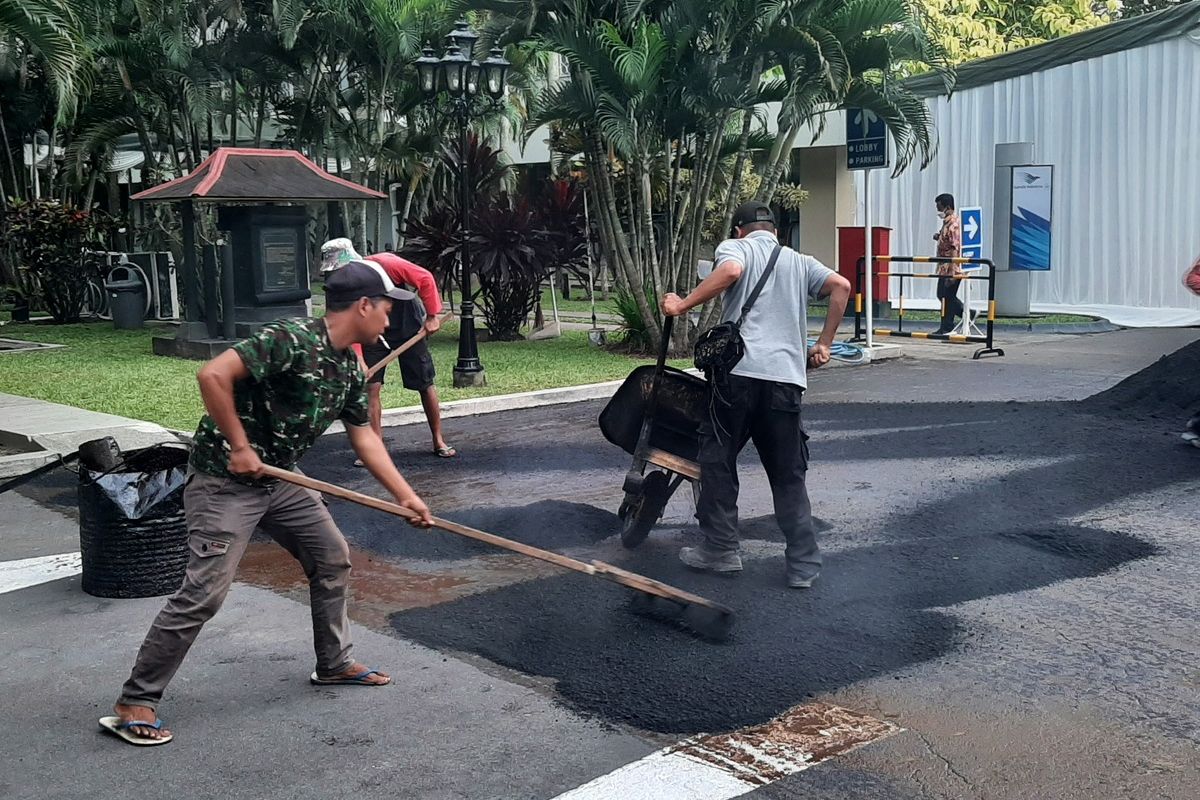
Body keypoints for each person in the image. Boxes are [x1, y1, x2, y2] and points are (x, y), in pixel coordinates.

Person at [102, 260, 435, 747]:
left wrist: (407, 498)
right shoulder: (291, 339)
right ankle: (135, 700)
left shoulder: (348, 366)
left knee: (332, 559)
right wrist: (239, 445)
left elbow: (365, 438)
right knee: (205, 593)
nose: (390, 319)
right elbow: (213, 374)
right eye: (386, 308)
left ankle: (335, 662)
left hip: (282, 479)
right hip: (225, 481)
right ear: (363, 306)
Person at [660, 201, 851, 588]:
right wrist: (824, 344)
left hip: (738, 377)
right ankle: (802, 565)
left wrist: (681, 304)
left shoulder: (736, 249)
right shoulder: (800, 261)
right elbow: (842, 286)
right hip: (785, 381)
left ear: (738, 231)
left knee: (717, 460)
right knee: (787, 473)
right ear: (776, 232)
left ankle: (721, 550)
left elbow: (731, 271)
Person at [321, 238, 456, 460]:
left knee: (424, 383)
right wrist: (359, 358)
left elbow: (424, 278)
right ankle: (376, 449)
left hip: (408, 326)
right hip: (370, 333)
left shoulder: (386, 263)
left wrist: (432, 316)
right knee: (371, 387)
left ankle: (438, 439)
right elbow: (348, 323)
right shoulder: (339, 288)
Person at [932, 192, 964, 335]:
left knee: (947, 296)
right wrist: (939, 237)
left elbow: (954, 247)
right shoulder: (946, 223)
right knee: (943, 295)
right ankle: (948, 325)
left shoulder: (954, 223)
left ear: (947, 206)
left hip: (952, 267)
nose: (938, 211)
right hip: (943, 266)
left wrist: (952, 271)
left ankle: (963, 315)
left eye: (939, 207)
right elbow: (947, 240)